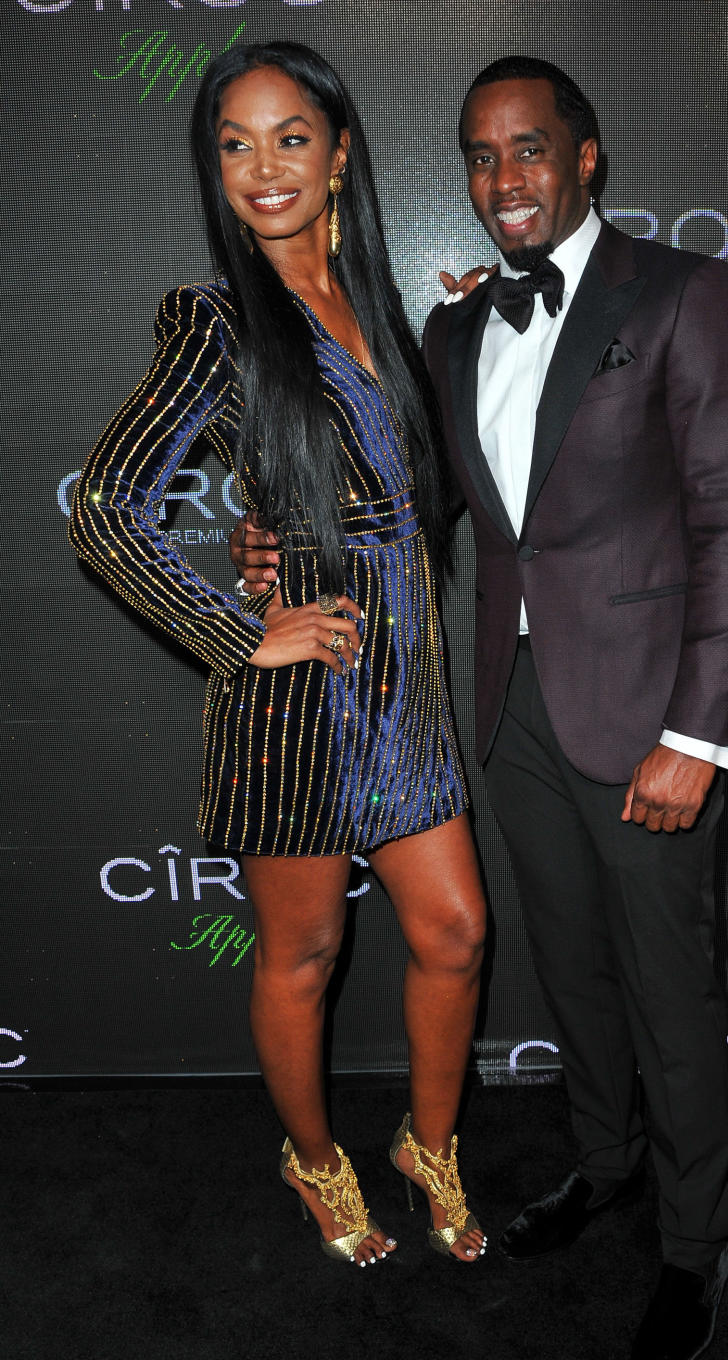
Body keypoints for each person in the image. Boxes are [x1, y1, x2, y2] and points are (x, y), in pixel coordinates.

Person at [234, 54, 728, 1360]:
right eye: (482, 158)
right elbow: (404, 508)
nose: (505, 179)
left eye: (530, 149)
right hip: (514, 708)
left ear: (586, 158)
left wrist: (697, 732)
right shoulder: (457, 331)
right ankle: (605, 1165)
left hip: (652, 711)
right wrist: (281, 551)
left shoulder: (685, 295)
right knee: (576, 969)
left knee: (671, 988)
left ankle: (698, 1243)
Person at [69, 41, 488, 1268]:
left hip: (408, 692)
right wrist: (242, 635)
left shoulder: (383, 308)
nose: (263, 166)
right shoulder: (210, 321)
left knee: (456, 931)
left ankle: (431, 1145)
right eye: (235, 143)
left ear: (341, 153)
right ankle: (314, 1162)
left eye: (290, 136)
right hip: (299, 704)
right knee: (303, 952)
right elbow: (104, 509)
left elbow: (418, 499)